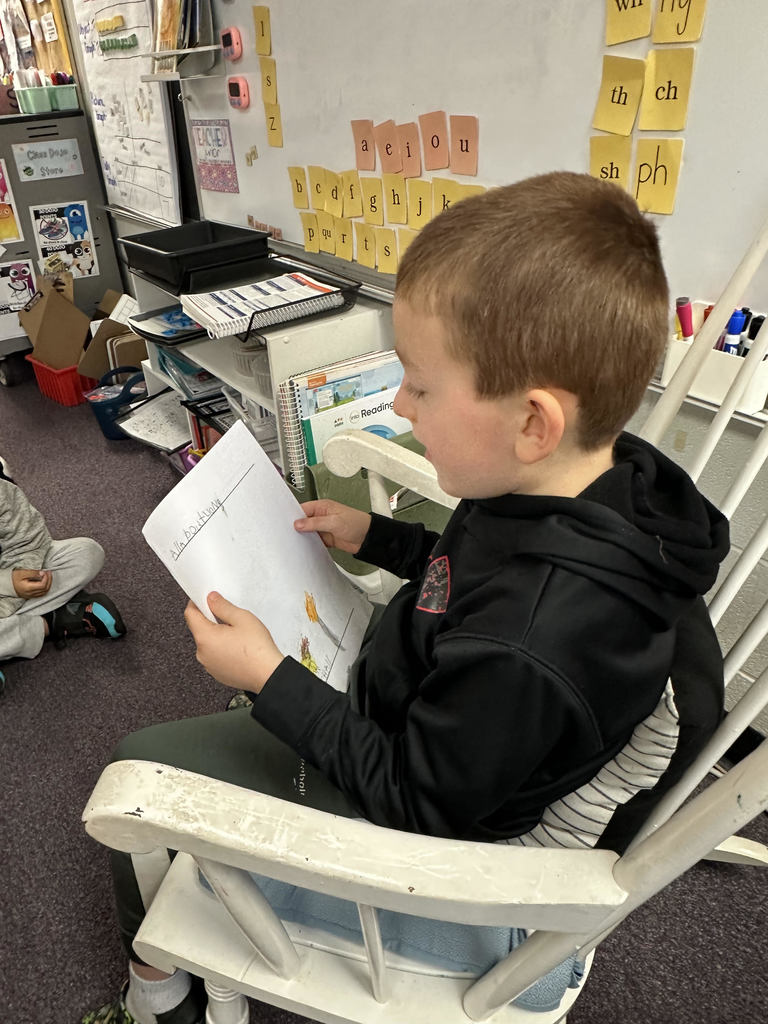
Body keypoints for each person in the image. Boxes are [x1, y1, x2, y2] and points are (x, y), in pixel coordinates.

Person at [82, 172, 728, 1024]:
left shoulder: (532, 645)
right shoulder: (573, 481)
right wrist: (381, 537)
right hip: (419, 708)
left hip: (432, 836)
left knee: (138, 766)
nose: (397, 401)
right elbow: (475, 570)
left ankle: (156, 994)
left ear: (533, 422)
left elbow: (419, 804)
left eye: (419, 385)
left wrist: (273, 681)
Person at [0, 455, 126, 691]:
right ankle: (50, 622)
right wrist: (9, 585)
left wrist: (17, 581)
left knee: (87, 553)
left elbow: (27, 539)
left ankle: (14, 636)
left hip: (9, 574)